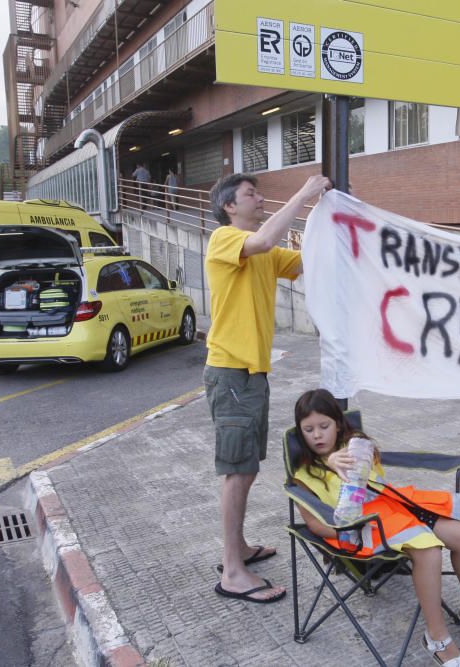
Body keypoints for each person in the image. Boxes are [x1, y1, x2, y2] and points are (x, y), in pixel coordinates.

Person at [292, 389, 460, 666]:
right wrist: (329, 468)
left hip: (397, 508)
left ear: (338, 424)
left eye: (324, 426)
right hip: (359, 530)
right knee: (428, 550)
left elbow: (359, 449)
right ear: (300, 432)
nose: (317, 435)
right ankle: (437, 637)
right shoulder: (303, 475)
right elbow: (314, 524)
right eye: (308, 429)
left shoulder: (356, 447)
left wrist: (338, 457)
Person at [205, 172, 331, 604]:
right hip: (231, 372)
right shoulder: (224, 239)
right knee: (237, 471)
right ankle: (233, 572)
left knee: (249, 467)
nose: (259, 199)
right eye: (250, 194)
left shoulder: (264, 251)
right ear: (229, 206)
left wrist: (326, 215)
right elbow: (260, 243)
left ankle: (238, 550)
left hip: (252, 374)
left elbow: (302, 261)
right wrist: (303, 193)